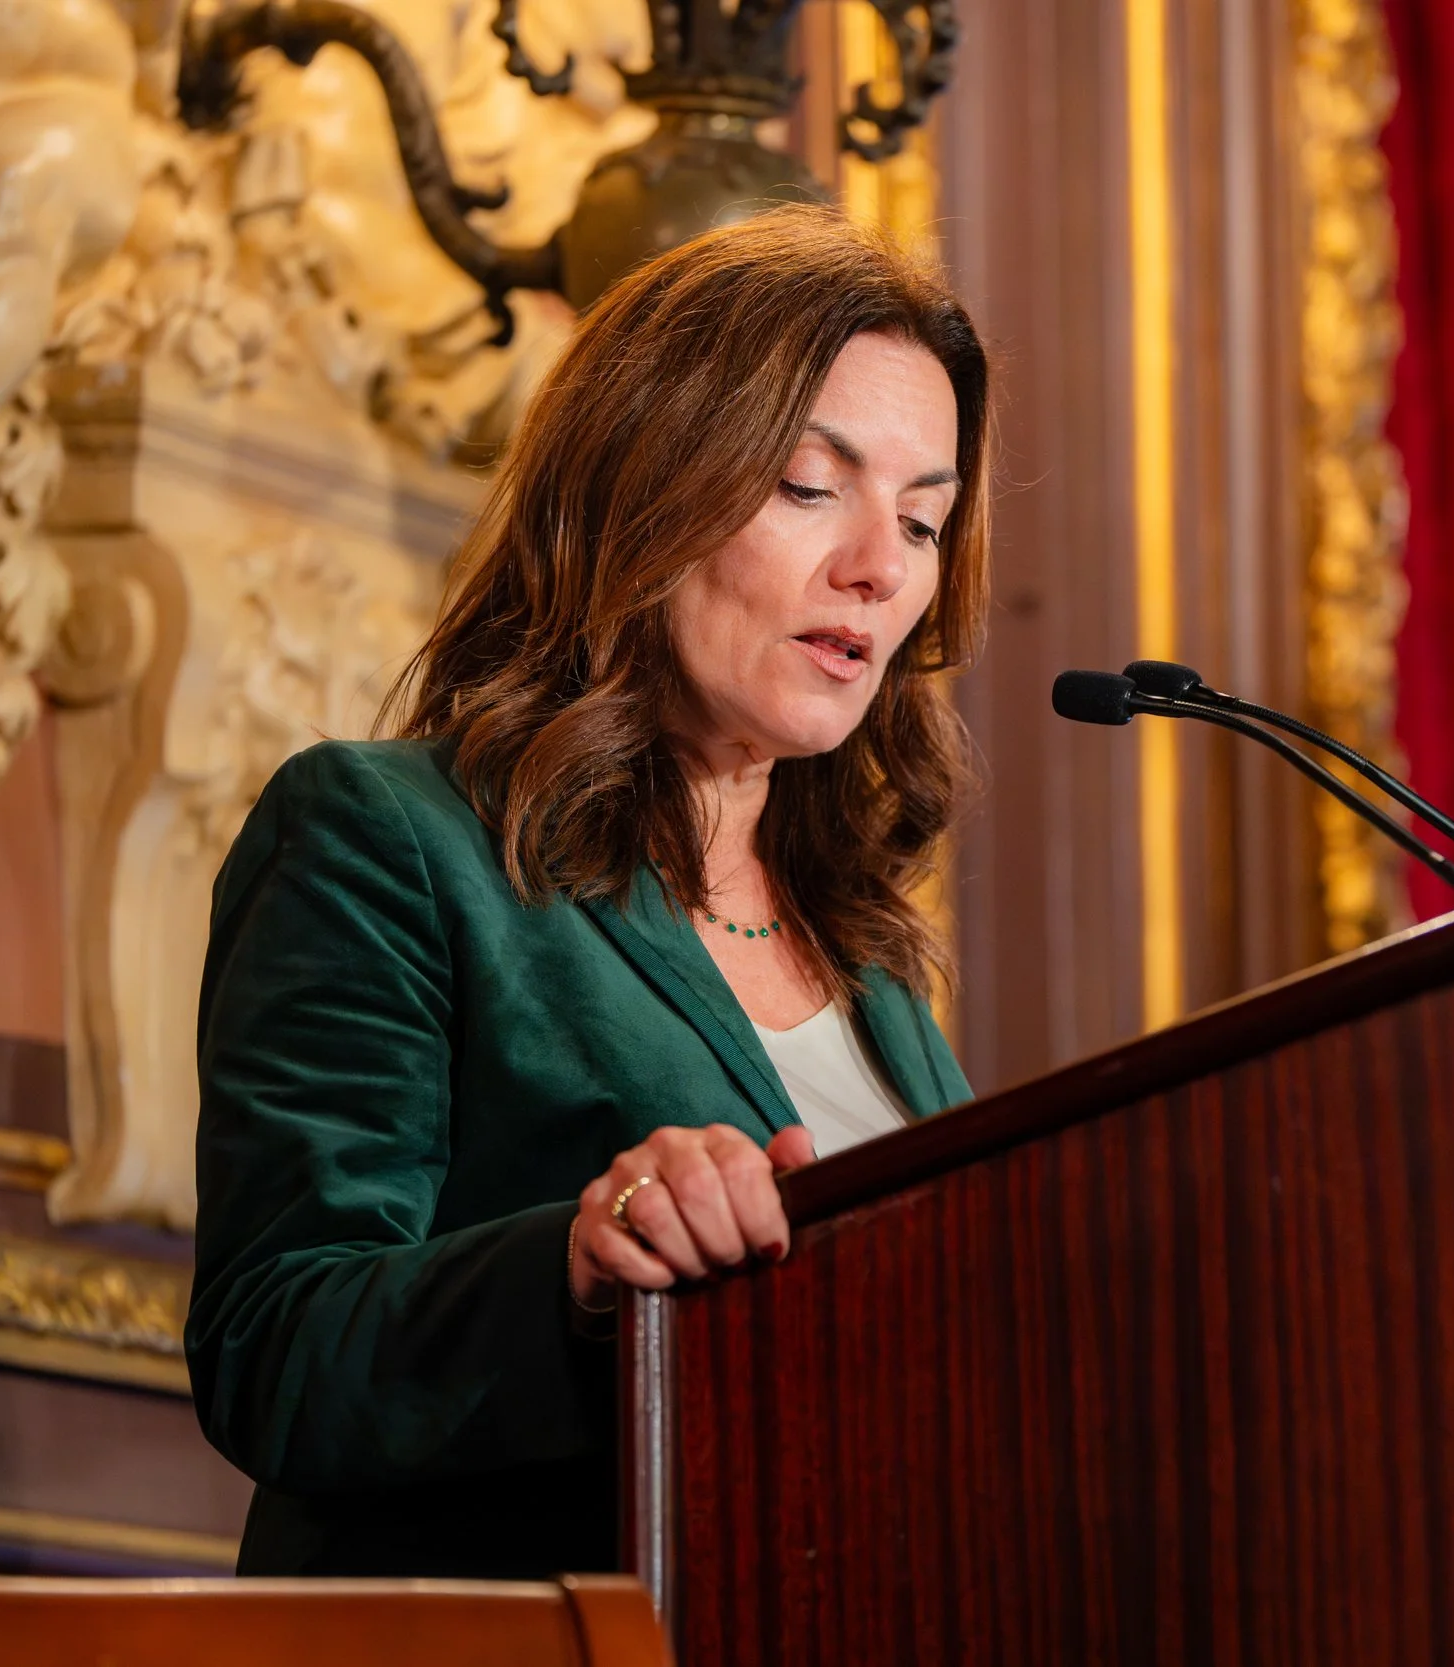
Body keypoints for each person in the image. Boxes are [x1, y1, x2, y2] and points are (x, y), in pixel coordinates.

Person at [183, 206, 990, 1578]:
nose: (879, 565)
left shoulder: (872, 967)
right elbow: (279, 1346)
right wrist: (578, 1262)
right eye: (810, 487)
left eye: (924, 520)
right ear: (646, 482)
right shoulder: (392, 838)